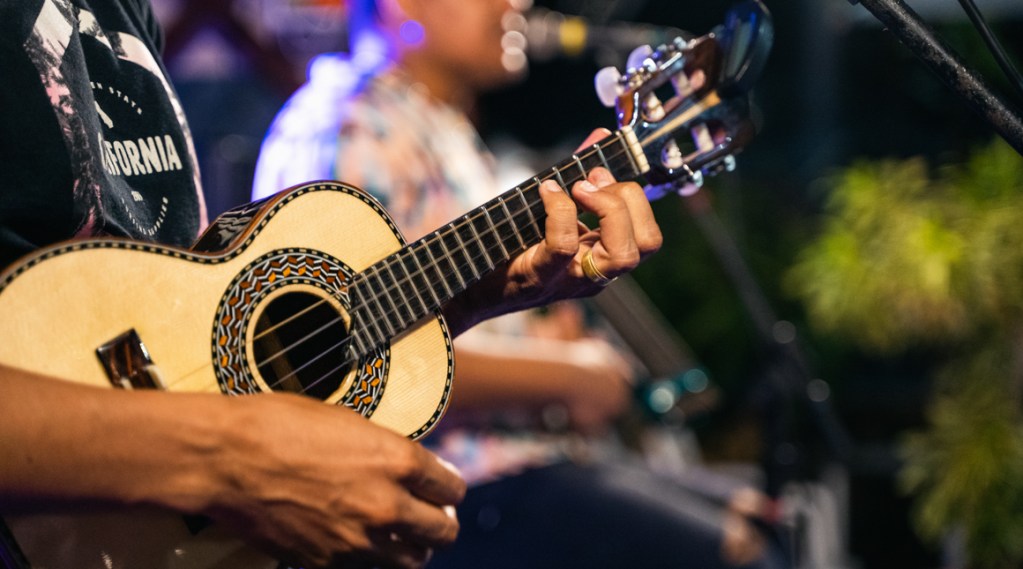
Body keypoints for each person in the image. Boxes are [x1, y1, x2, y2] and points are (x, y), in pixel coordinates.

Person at [0, 1, 662, 569]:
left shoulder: (121, 12)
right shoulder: (355, 120)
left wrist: (469, 292)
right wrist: (229, 457)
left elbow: (191, 341)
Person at [254, 0, 783, 567]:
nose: (518, 3)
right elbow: (327, 362)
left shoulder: (436, 125)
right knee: (739, 554)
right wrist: (565, 379)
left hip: (520, 465)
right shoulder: (352, 125)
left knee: (765, 519)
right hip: (448, 486)